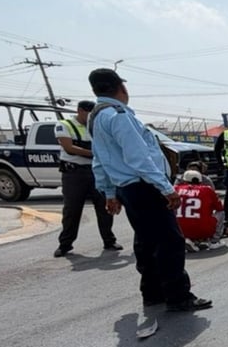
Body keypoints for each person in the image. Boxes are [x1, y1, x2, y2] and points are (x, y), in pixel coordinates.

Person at [87, 68, 211, 312]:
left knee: (146, 241)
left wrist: (109, 193)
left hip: (127, 189)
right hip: (145, 187)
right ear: (121, 88)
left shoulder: (96, 117)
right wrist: (166, 188)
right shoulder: (118, 115)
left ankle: (153, 293)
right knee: (170, 241)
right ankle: (178, 296)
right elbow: (139, 158)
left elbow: (99, 160)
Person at [53, 100, 122, 257]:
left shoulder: (96, 125)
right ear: (80, 111)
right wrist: (96, 153)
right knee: (72, 210)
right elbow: (69, 148)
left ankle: (109, 241)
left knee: (105, 207)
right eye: (88, 114)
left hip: (96, 171)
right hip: (74, 174)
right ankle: (65, 244)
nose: (91, 117)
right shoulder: (65, 124)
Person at [175, 169, 225, 251]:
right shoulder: (207, 189)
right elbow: (220, 208)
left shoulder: (175, 189)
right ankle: (214, 241)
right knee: (221, 212)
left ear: (184, 180)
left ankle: (189, 239)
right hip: (203, 229)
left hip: (178, 230)